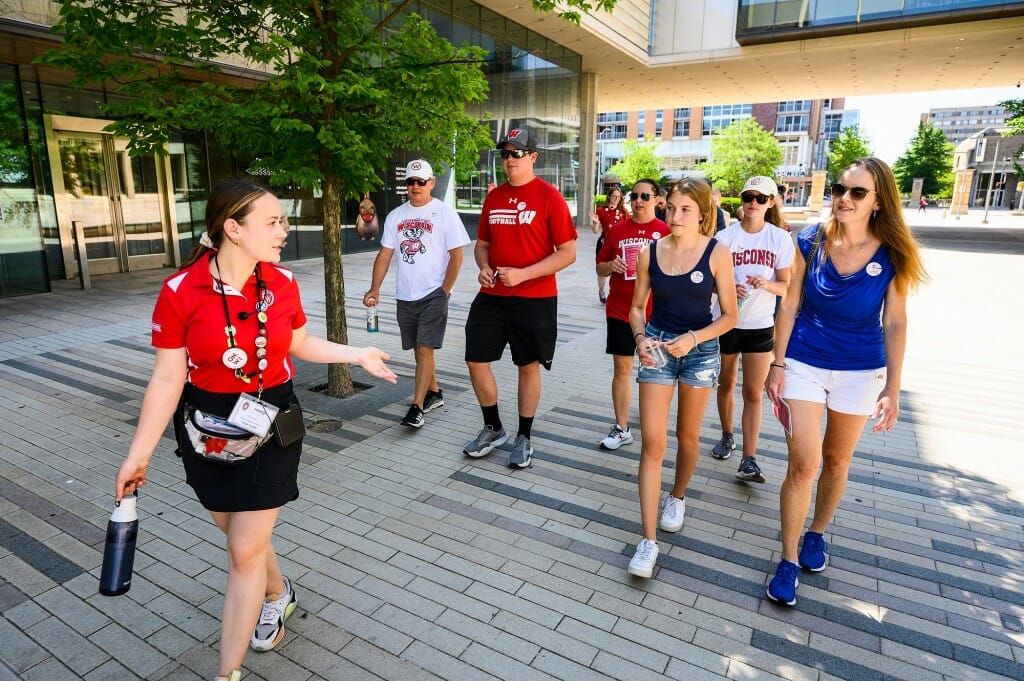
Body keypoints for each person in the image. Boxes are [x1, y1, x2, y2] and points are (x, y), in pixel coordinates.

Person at [113, 178, 397, 681]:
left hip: (272, 421)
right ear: (232, 229)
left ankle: (227, 672)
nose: (284, 230)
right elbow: (167, 376)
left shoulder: (281, 282)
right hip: (206, 427)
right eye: (272, 221)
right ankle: (277, 591)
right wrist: (139, 454)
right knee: (236, 529)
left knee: (242, 550)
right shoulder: (180, 290)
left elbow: (299, 343)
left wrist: (356, 353)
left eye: (283, 220)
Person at [764, 158, 927, 606]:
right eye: (840, 189)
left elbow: (895, 323)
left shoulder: (893, 254)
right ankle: (789, 559)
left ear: (878, 202)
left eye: (858, 193)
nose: (844, 199)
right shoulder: (810, 240)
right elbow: (789, 304)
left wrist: (893, 387)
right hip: (804, 362)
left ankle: (817, 532)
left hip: (860, 369)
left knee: (836, 461)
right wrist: (777, 364)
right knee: (804, 463)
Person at [626, 178, 737, 578]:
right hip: (655, 348)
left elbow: (730, 316)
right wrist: (640, 338)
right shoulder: (649, 252)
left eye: (685, 209)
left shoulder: (717, 253)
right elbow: (637, 308)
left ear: (703, 214)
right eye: (670, 207)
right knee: (652, 445)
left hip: (700, 352)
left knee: (687, 438)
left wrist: (693, 338)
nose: (674, 215)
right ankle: (648, 540)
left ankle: (677, 495)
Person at [463, 128, 577, 469]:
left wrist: (524, 274)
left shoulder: (549, 196)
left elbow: (568, 252)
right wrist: (484, 267)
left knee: (527, 366)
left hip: (534, 297)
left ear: (532, 157)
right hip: (493, 294)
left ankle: (524, 436)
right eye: (505, 154)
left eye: (516, 153)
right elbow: (482, 244)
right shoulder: (494, 197)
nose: (509, 160)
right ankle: (493, 427)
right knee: (475, 359)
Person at [363, 159, 470, 428]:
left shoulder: (444, 213)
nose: (415, 186)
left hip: (434, 293)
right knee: (419, 350)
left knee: (424, 349)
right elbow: (385, 255)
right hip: (405, 295)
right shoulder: (396, 216)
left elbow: (457, 256)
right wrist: (375, 288)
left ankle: (417, 406)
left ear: (431, 183)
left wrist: (444, 290)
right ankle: (434, 393)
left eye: (421, 181)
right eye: (410, 181)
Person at [710, 176, 794, 484]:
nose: (753, 203)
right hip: (728, 322)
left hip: (760, 325)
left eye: (761, 198)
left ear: (771, 202)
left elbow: (787, 287)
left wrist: (767, 284)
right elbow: (709, 282)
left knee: (753, 392)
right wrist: (727, 289)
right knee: (726, 382)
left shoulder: (779, 239)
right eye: (748, 197)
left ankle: (749, 458)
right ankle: (727, 435)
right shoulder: (725, 237)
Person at [595, 179, 665, 451]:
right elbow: (599, 269)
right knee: (622, 369)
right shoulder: (616, 230)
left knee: (654, 370)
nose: (638, 200)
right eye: (634, 195)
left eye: (645, 196)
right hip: (620, 310)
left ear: (657, 200)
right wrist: (611, 264)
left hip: (656, 315)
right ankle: (622, 427)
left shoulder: (666, 231)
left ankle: (653, 426)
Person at [589, 186, 628, 304]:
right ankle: (601, 292)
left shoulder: (623, 212)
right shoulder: (601, 210)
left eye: (618, 196)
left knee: (618, 269)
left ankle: (615, 293)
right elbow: (595, 231)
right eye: (614, 196)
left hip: (619, 245)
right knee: (602, 270)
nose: (616, 198)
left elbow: (627, 228)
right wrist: (596, 223)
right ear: (609, 196)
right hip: (604, 243)